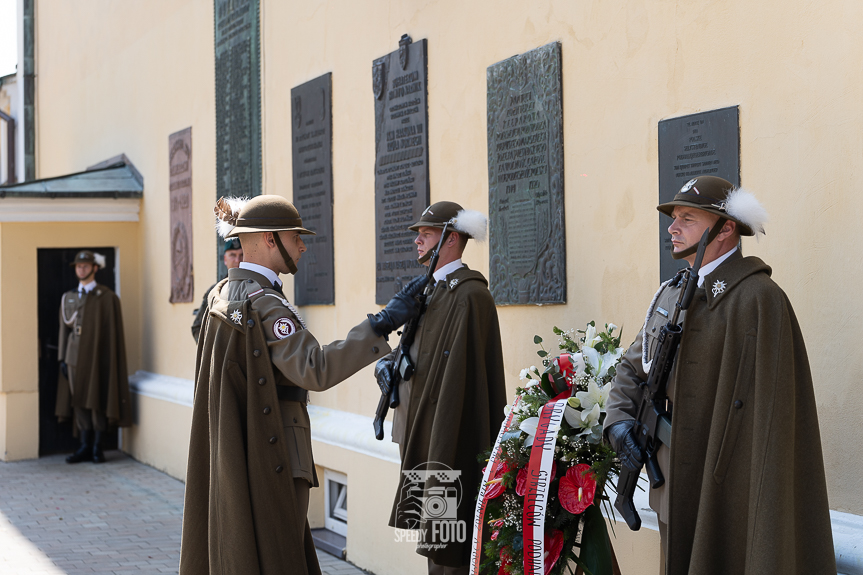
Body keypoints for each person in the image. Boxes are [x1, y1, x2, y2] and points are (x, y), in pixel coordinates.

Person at [180, 195, 426, 575]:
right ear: (268, 239)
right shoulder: (264, 304)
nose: (303, 244)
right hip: (273, 453)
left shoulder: (222, 294)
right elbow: (315, 369)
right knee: (279, 557)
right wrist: (381, 323)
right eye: (295, 236)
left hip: (240, 450)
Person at [603, 176, 835, 575]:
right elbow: (633, 365)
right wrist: (619, 420)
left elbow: (770, 420)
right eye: (674, 217)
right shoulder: (672, 293)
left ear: (726, 228)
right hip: (672, 485)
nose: (673, 227)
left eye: (687, 218)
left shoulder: (759, 299)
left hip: (728, 495)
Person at [377, 201, 507, 575]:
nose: (418, 240)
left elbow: (461, 383)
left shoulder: (468, 296)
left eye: (426, 233)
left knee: (448, 542)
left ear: (451, 239)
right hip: (421, 429)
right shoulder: (432, 289)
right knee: (434, 537)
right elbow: (417, 350)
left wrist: (443, 442)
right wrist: (388, 367)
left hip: (447, 438)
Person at [56, 250, 131, 464]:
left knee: (96, 398)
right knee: (78, 400)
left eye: (86, 266)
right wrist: (62, 358)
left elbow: (111, 333)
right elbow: (64, 329)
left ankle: (98, 446)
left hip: (97, 355)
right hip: (74, 355)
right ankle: (84, 446)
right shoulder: (69, 297)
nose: (82, 269)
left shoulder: (105, 297)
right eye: (79, 267)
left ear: (94, 268)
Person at [190, 237, 243, 342]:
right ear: (225, 259)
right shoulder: (215, 292)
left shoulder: (258, 287)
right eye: (232, 255)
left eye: (241, 255)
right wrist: (211, 351)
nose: (237, 260)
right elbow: (197, 327)